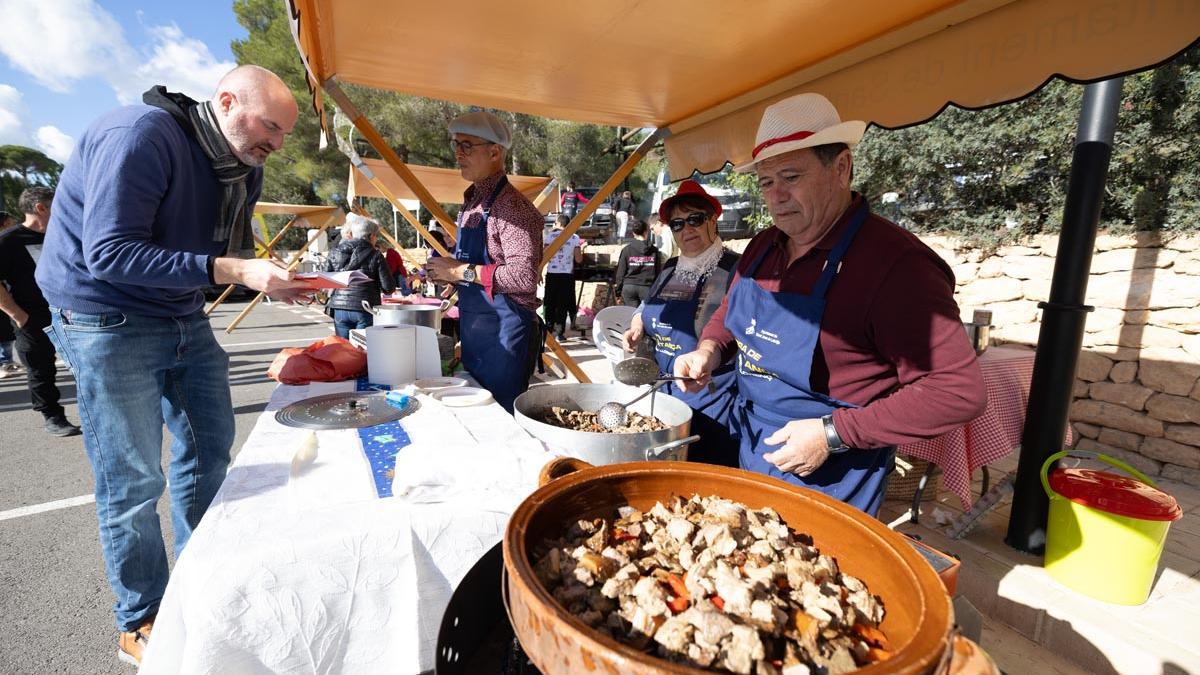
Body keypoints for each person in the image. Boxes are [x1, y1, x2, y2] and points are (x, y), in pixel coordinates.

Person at [35, 65, 309, 665]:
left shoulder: (245, 165)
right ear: (226, 101)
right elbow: (109, 253)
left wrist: (278, 280)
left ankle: (201, 585)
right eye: (270, 126)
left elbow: (223, 254)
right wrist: (234, 271)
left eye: (285, 134)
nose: (277, 143)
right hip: (105, 315)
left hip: (181, 312)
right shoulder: (140, 135)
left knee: (211, 455)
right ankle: (141, 618)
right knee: (133, 479)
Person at [674, 93, 986, 516]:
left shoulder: (898, 266)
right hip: (750, 438)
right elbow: (730, 312)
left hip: (832, 471)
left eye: (791, 177)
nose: (777, 196)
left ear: (841, 168)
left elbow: (957, 391)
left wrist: (833, 433)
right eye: (766, 182)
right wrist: (709, 350)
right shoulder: (765, 246)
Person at [426, 111, 542, 412]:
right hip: (476, 331)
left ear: (494, 152)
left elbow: (523, 277)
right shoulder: (472, 203)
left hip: (506, 334)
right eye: (456, 144)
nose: (458, 153)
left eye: (467, 145)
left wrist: (459, 272)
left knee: (501, 419)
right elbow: (476, 268)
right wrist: (449, 277)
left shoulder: (512, 208)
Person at [621, 180, 740, 465]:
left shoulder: (736, 268)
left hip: (712, 397)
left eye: (694, 219)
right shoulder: (671, 267)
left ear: (713, 220)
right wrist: (637, 324)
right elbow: (648, 304)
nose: (686, 229)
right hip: (664, 392)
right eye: (677, 224)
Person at [0, 187, 81, 436]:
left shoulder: (65, 234)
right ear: (41, 208)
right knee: (41, 369)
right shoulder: (9, 241)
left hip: (73, 312)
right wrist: (18, 316)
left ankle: (97, 415)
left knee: (87, 366)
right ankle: (53, 417)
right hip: (32, 317)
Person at [323, 213, 396, 338]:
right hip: (365, 307)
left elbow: (325, 279)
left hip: (339, 308)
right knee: (362, 346)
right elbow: (388, 288)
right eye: (376, 236)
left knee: (343, 347)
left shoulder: (334, 252)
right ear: (371, 236)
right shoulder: (376, 255)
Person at [543, 213, 584, 339]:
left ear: (559, 223)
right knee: (563, 303)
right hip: (566, 275)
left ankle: (548, 330)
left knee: (550, 302)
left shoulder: (550, 236)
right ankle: (560, 333)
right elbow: (578, 259)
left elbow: (544, 255)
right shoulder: (575, 237)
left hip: (552, 273)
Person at [613, 219, 660, 306]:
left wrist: (618, 292)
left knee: (632, 313)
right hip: (647, 287)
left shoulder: (627, 250)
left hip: (629, 287)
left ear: (633, 233)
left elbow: (620, 273)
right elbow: (658, 272)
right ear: (646, 232)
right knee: (645, 313)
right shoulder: (654, 251)